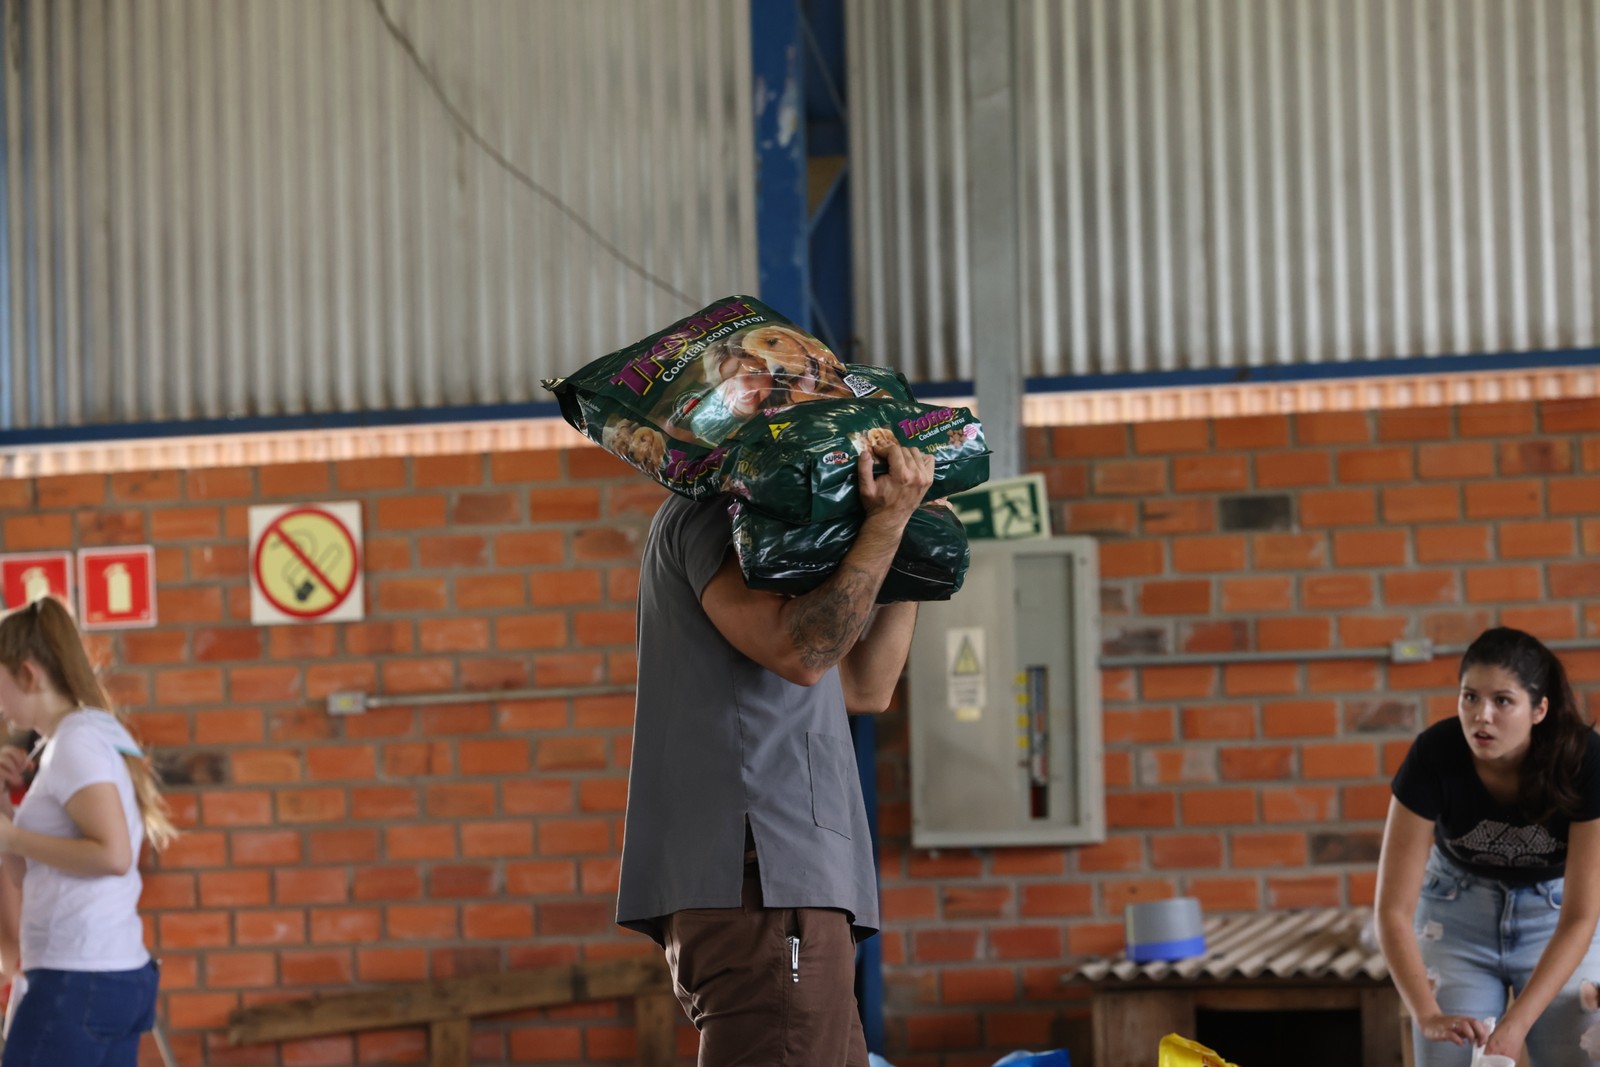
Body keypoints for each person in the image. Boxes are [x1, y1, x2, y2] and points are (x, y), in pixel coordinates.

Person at [616, 437, 934, 1066]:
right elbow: (803, 654)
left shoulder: (779, 543)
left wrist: (905, 543)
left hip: (796, 891)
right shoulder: (715, 513)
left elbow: (866, 687)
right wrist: (888, 524)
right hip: (765, 888)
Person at [1375, 626, 1600, 1066]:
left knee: (1581, 1054)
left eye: (1502, 701)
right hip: (1455, 919)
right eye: (1470, 697)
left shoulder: (1584, 760)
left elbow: (1581, 916)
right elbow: (1392, 910)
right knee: (1451, 1056)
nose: (1482, 716)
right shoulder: (1434, 754)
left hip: (1555, 922)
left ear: (1539, 710)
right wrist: (1427, 1014)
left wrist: (1517, 1024)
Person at [0, 596, 176, 1066]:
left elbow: (113, 855)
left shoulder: (77, 740)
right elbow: (26, 874)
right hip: (97, 973)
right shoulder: (77, 735)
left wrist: (13, 838)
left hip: (78, 977)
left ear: (27, 673)